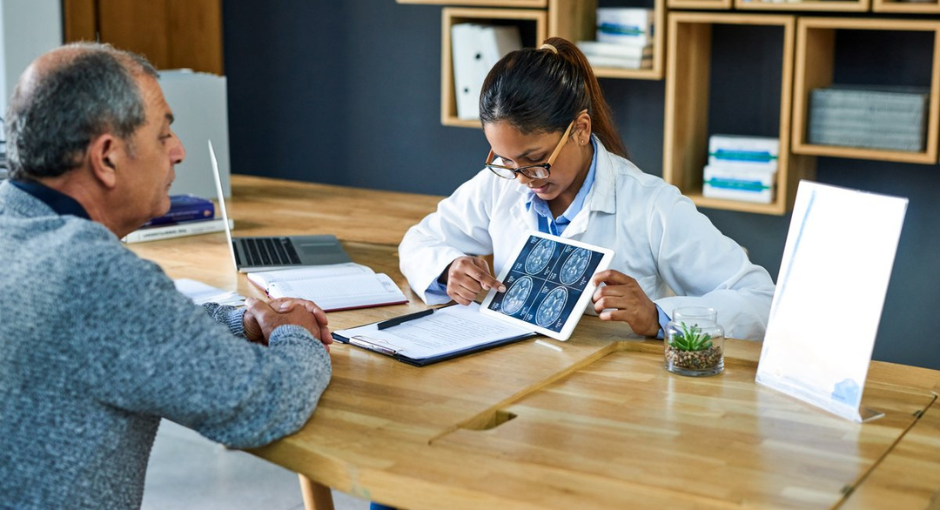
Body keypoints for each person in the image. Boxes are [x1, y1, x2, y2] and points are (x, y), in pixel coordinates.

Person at [0, 43, 333, 510]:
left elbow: (123, 329)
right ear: (107, 158)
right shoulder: (90, 274)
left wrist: (242, 322)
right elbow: (263, 404)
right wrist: (296, 335)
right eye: (163, 134)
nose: (179, 151)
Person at [399, 37, 775, 342]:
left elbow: (760, 301)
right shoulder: (502, 184)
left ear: (580, 129)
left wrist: (657, 316)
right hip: (514, 377)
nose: (523, 179)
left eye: (535, 159)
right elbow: (418, 242)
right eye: (505, 161)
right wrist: (448, 268)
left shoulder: (651, 206)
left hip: (614, 398)